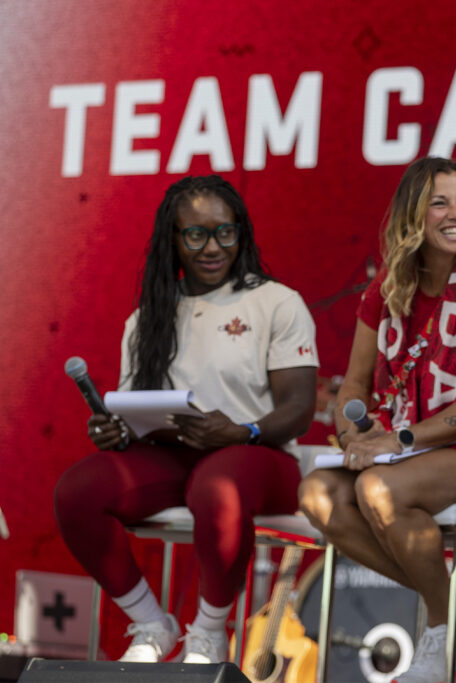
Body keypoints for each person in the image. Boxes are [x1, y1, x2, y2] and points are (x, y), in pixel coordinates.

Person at [53, 175, 319, 664]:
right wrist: (114, 429)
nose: (213, 247)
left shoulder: (276, 302)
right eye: (195, 234)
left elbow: (298, 408)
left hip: (259, 458)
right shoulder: (148, 317)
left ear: (242, 233)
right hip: (172, 458)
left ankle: (209, 633)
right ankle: (153, 624)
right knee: (78, 491)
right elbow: (136, 408)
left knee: (217, 484)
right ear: (172, 240)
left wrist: (242, 431)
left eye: (226, 232)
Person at [297, 156, 456, 683]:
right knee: (317, 494)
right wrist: (351, 433)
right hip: (402, 451)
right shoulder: (385, 289)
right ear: (412, 216)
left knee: (380, 489)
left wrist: (394, 440)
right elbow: (354, 386)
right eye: (440, 203)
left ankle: (441, 630)